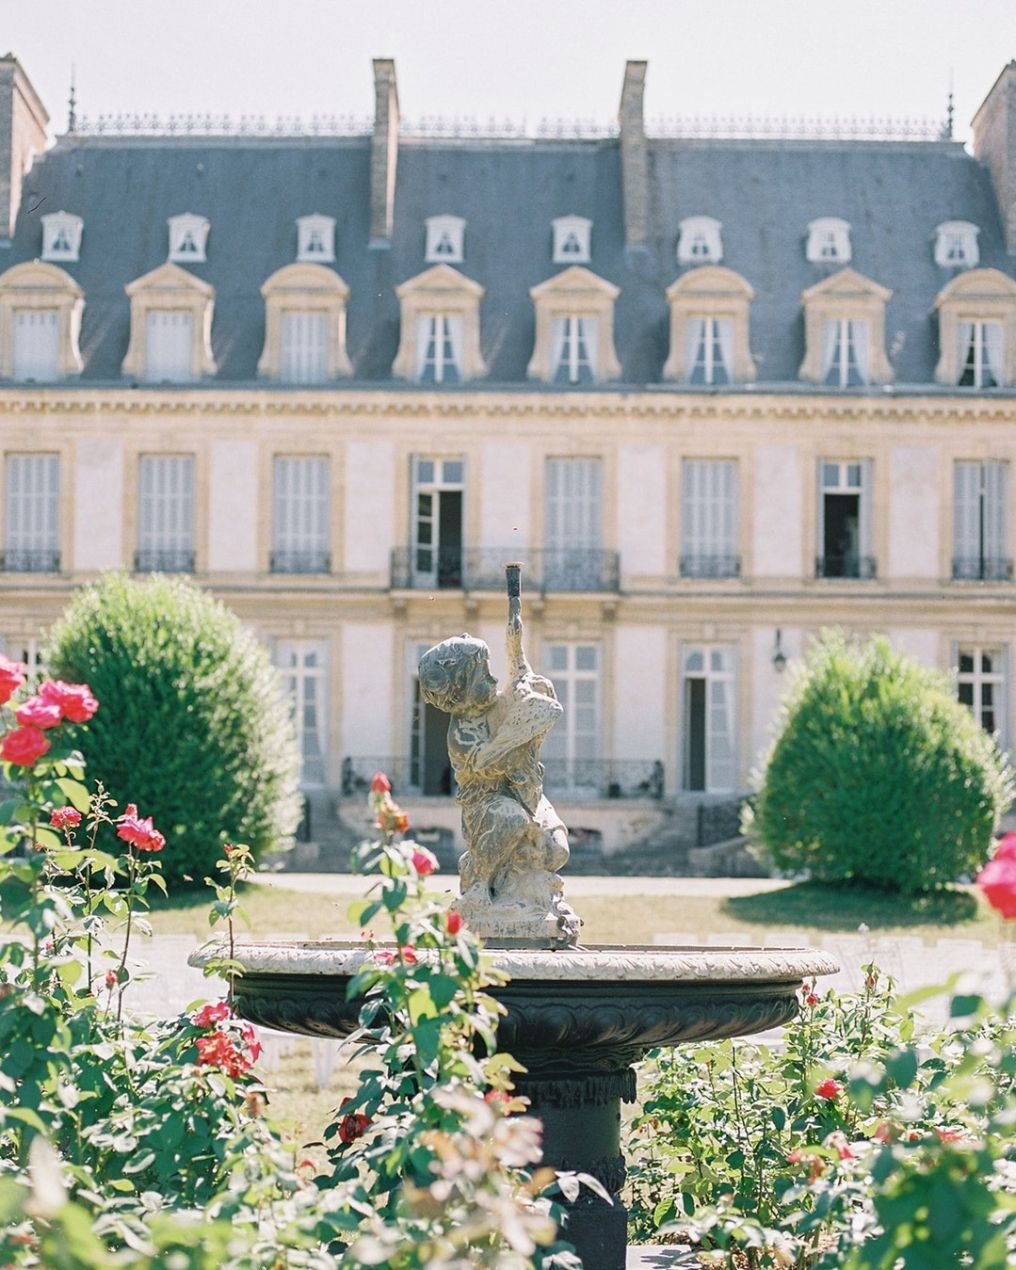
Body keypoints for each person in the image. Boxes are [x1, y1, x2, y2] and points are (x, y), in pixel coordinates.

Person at [417, 566, 580, 942]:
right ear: (459, 692)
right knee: (511, 822)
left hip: (528, 796)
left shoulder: (496, 705)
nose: (493, 681)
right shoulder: (462, 732)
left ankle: (533, 893)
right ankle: (480, 887)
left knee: (556, 848)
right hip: (488, 808)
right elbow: (486, 763)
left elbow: (519, 676)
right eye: (482, 677)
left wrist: (515, 649)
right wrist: (521, 728)